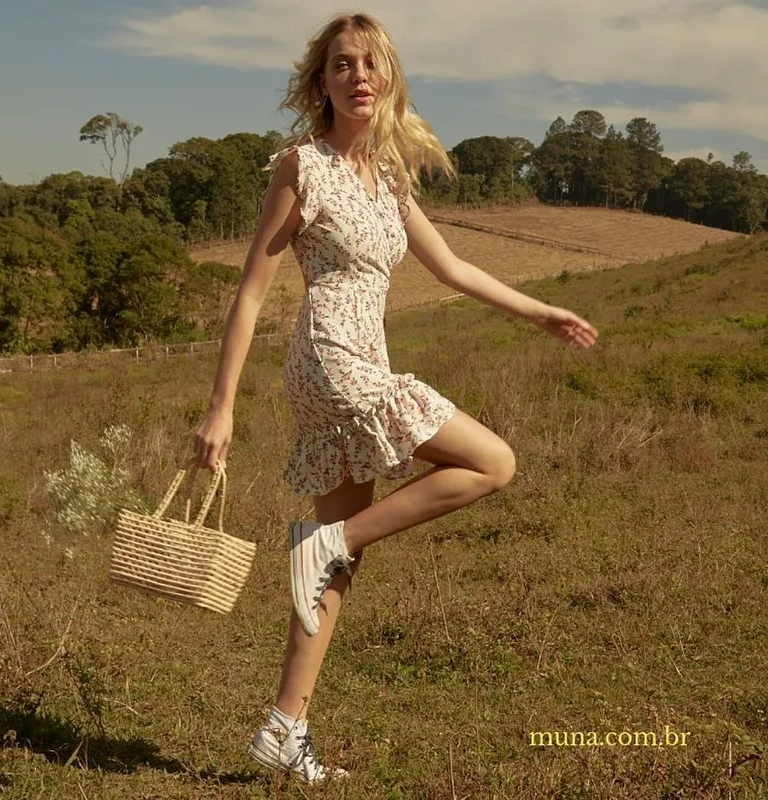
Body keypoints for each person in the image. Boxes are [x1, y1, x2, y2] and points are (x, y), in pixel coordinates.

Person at [193, 11, 598, 785]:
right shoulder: (300, 167)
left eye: (370, 63)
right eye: (342, 64)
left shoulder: (388, 176)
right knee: (492, 463)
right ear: (322, 82)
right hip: (332, 358)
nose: (358, 76)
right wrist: (222, 406)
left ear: (389, 78)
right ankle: (326, 545)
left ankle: (284, 728)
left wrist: (540, 310)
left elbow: (453, 269)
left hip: (364, 354)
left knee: (334, 562)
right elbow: (250, 293)